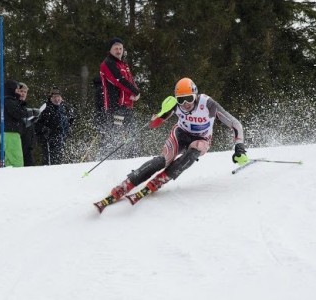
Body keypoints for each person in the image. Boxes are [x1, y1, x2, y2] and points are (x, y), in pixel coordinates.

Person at [94, 78, 249, 212]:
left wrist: (239, 146)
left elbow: (235, 124)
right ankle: (128, 183)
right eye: (181, 100)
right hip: (180, 134)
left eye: (188, 98)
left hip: (201, 139)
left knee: (194, 151)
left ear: (195, 95)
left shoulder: (207, 104)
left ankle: (161, 179)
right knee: (162, 160)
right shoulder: (175, 105)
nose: (185, 104)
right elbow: (154, 125)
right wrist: (156, 117)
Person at [97, 37, 140, 159]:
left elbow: (130, 80)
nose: (118, 50)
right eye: (115, 48)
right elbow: (119, 80)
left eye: (120, 48)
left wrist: (136, 93)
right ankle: (110, 159)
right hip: (115, 106)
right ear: (110, 50)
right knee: (116, 135)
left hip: (127, 106)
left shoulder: (123, 64)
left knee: (132, 134)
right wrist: (135, 92)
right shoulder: (108, 63)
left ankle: (132, 158)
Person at [35, 87, 75, 165]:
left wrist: (68, 125)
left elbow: (64, 124)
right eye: (54, 97)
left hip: (60, 140)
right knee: (50, 163)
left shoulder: (63, 108)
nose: (57, 99)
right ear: (50, 98)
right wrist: (44, 131)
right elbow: (37, 124)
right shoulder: (45, 108)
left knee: (58, 161)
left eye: (58, 97)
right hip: (49, 141)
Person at [3, 79, 36, 167]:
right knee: (16, 163)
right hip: (14, 136)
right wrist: (30, 112)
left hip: (26, 144)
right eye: (19, 91)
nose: (22, 93)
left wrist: (31, 120)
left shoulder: (20, 104)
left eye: (25, 92)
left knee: (19, 163)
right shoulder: (10, 101)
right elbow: (17, 113)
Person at [18, 82, 38, 166]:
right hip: (19, 144)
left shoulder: (24, 106)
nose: (23, 94)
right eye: (21, 91)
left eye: (25, 92)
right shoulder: (14, 105)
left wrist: (33, 120)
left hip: (28, 146)